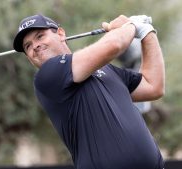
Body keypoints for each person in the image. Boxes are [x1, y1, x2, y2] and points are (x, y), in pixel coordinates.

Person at [13, 14, 165, 169]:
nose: (35, 46)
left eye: (40, 36)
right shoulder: (47, 76)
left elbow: (153, 87)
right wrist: (132, 25)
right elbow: (114, 45)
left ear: (60, 34)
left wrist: (147, 33)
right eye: (28, 46)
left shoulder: (106, 69)